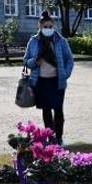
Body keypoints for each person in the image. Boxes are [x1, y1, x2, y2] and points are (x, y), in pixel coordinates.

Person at [24, 11, 74, 145]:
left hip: (57, 81)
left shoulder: (61, 41)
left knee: (58, 109)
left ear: (54, 26)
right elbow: (25, 60)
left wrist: (66, 73)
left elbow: (69, 59)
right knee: (46, 110)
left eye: (50, 26)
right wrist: (34, 62)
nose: (48, 29)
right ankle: (49, 136)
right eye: (45, 27)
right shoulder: (34, 41)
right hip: (41, 82)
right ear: (40, 26)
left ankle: (59, 136)